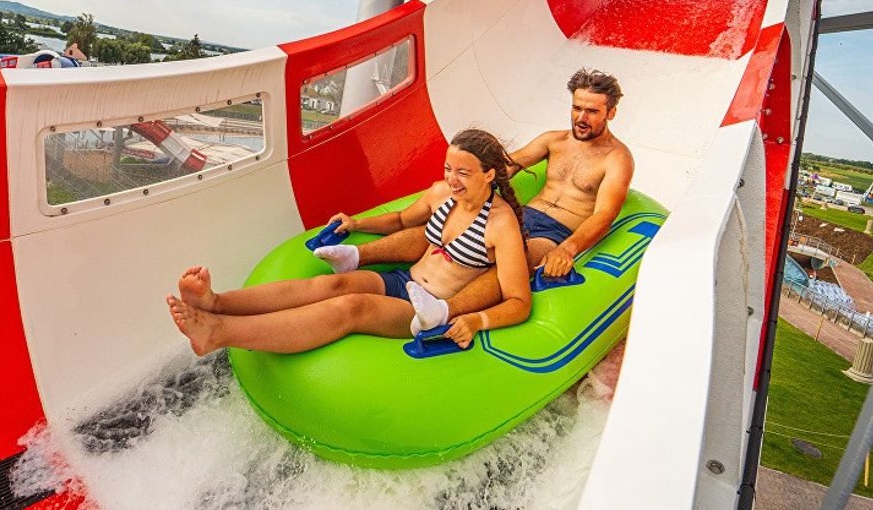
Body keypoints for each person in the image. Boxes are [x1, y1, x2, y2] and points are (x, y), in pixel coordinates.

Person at [315, 68, 633, 337]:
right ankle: (357, 255)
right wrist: (467, 187)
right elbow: (507, 165)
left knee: (517, 258)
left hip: (554, 233)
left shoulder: (617, 159)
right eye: (577, 108)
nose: (581, 117)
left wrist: (567, 250)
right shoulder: (555, 140)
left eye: (592, 111)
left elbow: (604, 214)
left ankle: (445, 310)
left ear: (611, 113)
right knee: (443, 230)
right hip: (525, 214)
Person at [166, 129, 531, 355]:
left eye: (463, 173)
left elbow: (518, 302)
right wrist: (357, 222)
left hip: (431, 309)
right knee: (330, 284)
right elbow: (402, 220)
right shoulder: (441, 194)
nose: (452, 179)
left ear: (489, 174)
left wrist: (477, 320)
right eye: (448, 169)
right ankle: (217, 302)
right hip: (403, 280)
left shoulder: (501, 225)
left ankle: (218, 332)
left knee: (351, 307)